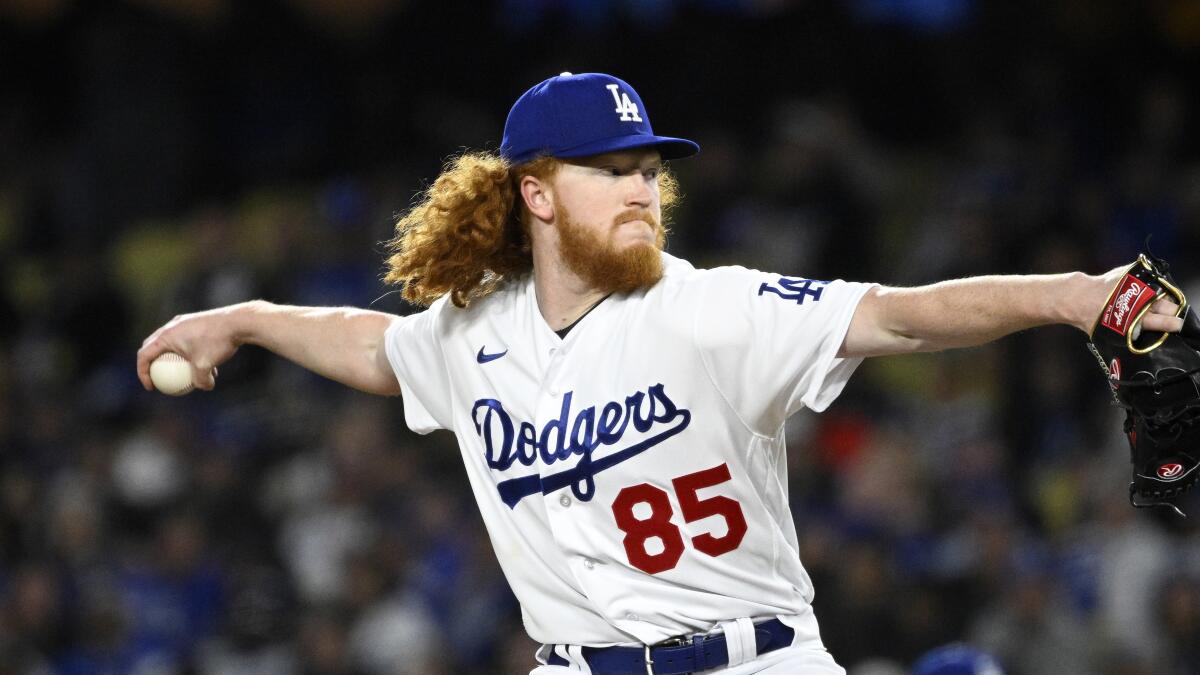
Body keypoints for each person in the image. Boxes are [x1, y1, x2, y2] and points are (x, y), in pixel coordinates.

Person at [137, 72, 1184, 674]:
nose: (642, 188)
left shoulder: (707, 306)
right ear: (537, 194)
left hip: (754, 661)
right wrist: (249, 318)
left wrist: (1070, 295)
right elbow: (375, 349)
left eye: (648, 168)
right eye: (612, 171)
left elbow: (901, 321)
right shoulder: (468, 336)